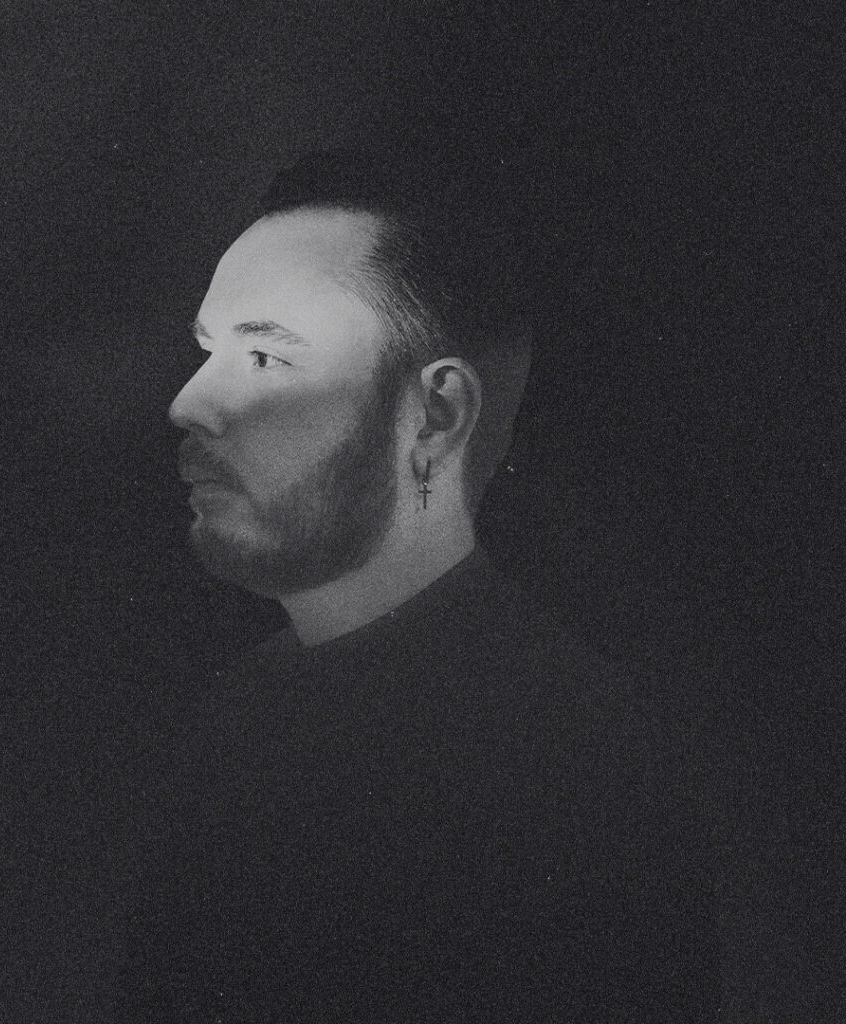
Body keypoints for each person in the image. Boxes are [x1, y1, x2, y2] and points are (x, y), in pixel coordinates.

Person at [113, 149, 723, 1020]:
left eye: (265, 359)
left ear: (436, 413)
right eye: (209, 350)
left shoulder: (562, 775)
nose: (188, 403)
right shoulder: (242, 714)